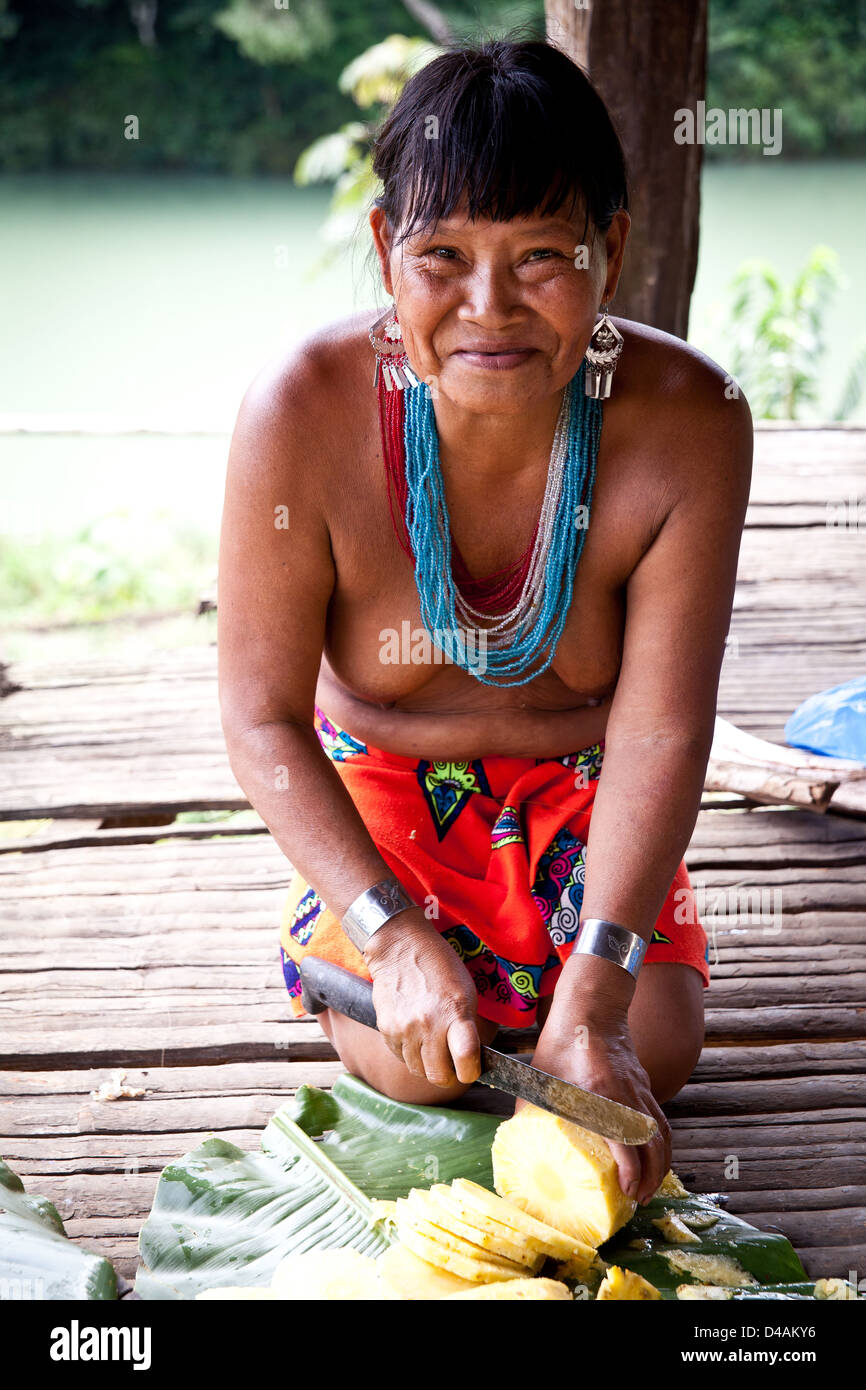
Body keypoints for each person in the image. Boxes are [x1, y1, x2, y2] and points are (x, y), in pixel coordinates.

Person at [217, 39, 753, 1208]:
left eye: (541, 258)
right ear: (382, 253)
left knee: (651, 1050)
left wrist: (597, 1000)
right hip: (385, 789)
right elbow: (259, 716)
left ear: (610, 248)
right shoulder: (299, 413)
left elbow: (661, 730)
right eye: (442, 258)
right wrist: (392, 933)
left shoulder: (689, 422)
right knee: (407, 1063)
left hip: (589, 781)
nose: (488, 308)